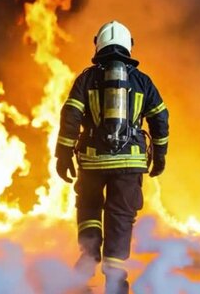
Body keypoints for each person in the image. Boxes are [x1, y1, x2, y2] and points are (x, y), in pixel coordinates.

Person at [55, 20, 169, 294]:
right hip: (130, 163)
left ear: (98, 43)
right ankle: (116, 282)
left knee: (90, 209)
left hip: (92, 160)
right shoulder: (142, 81)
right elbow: (160, 119)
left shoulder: (87, 78)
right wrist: (160, 155)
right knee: (120, 216)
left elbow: (70, 116)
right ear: (130, 46)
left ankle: (87, 259)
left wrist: (63, 154)